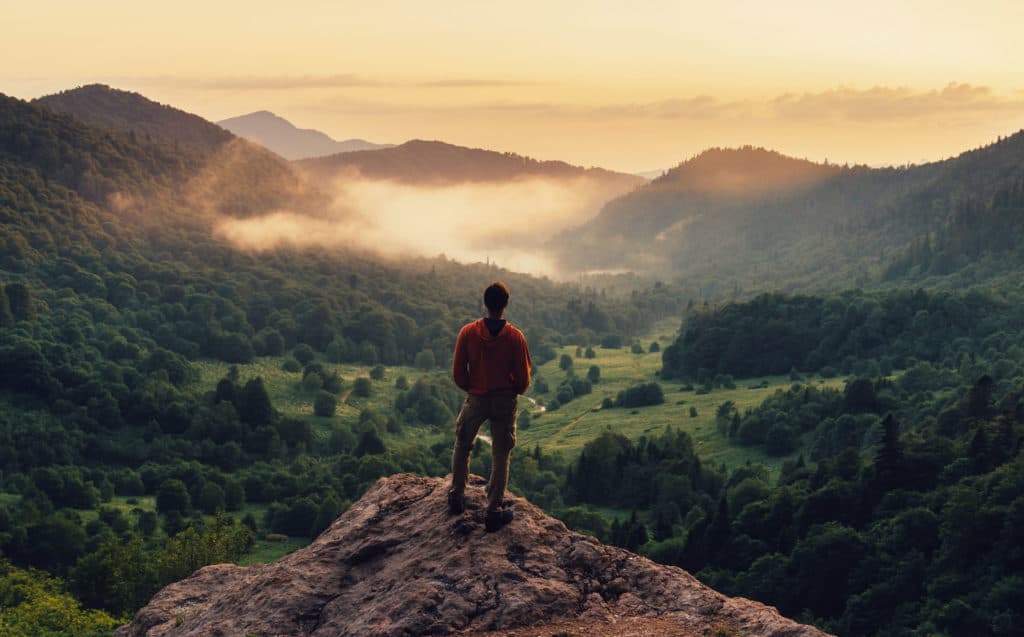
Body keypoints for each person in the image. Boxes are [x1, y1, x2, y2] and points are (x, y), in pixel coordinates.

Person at [448, 281, 532, 532]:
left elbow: (458, 372)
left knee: (463, 444)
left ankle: (456, 496)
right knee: (501, 452)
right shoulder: (515, 337)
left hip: (476, 398)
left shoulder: (468, 333)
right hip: (505, 400)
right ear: (505, 305)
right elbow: (524, 379)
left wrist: (473, 389)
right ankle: (493, 510)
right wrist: (512, 390)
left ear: (485, 303)